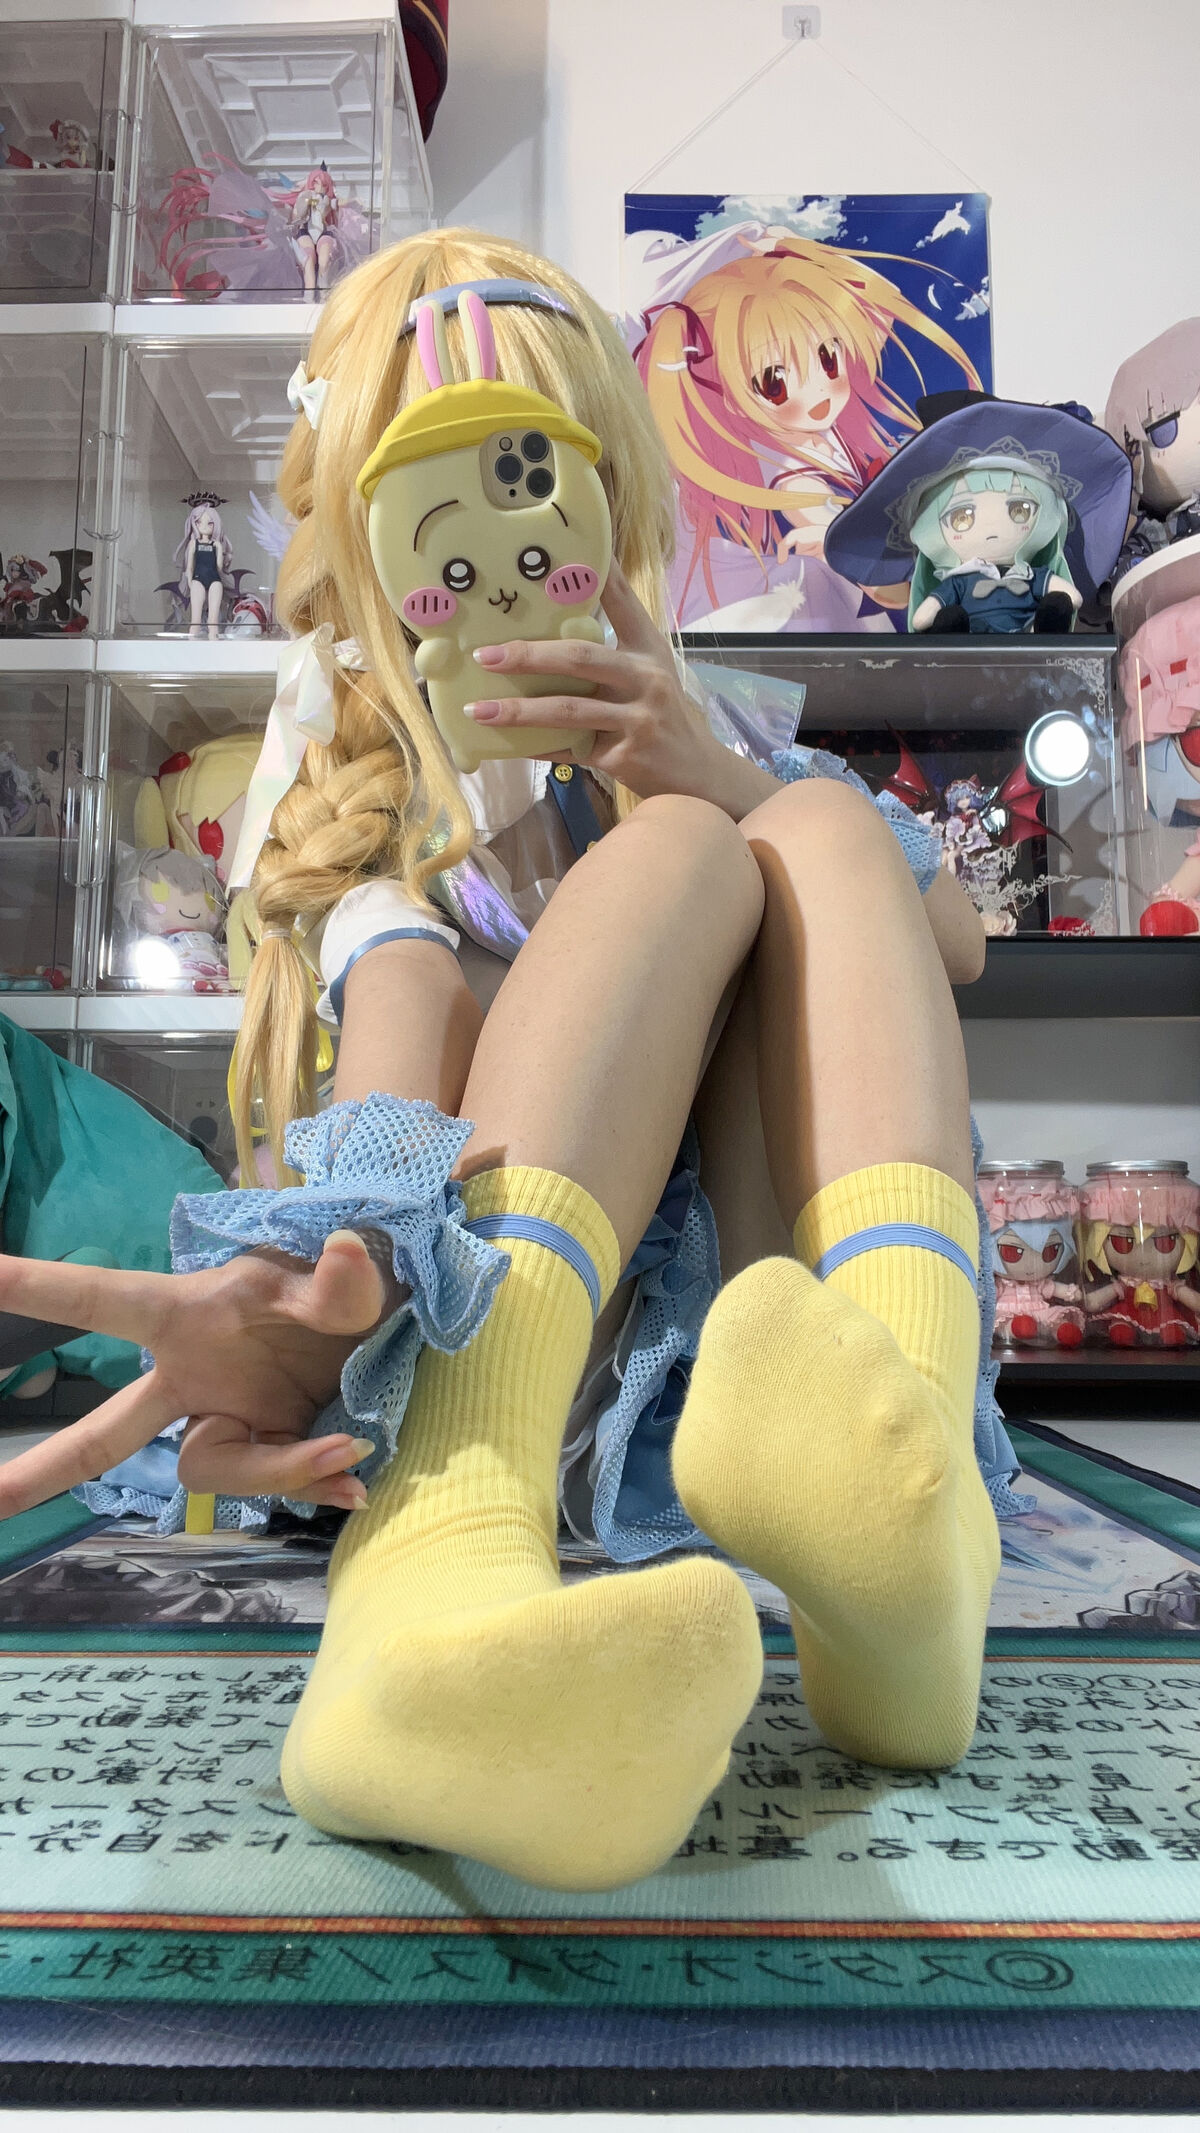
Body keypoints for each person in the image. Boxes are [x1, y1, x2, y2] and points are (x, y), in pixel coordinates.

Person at [0, 229, 1004, 1894]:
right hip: (519, 1370)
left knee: (807, 831)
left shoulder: (721, 726)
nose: (501, 568)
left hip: (785, 1364)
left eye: (538, 483)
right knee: (651, 867)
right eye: (435, 522)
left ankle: (913, 1546)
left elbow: (953, 936)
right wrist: (319, 1276)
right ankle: (436, 1555)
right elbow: (388, 1064)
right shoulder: (385, 841)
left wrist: (711, 768)